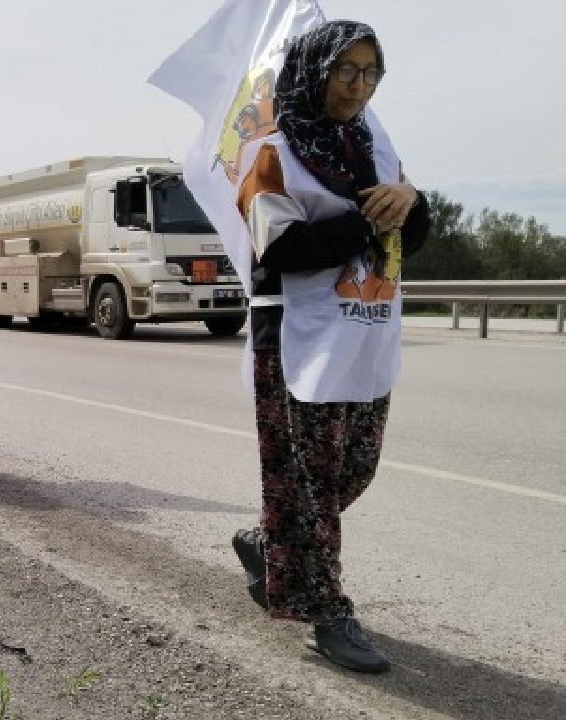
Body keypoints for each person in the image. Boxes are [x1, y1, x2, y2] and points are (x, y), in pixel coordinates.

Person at [231, 20, 430, 674]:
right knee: (311, 486)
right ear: (316, 69)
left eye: (371, 72)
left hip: (363, 332)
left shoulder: (370, 143)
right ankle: (327, 613)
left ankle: (271, 540)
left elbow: (412, 229)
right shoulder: (273, 153)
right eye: (347, 70)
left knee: (354, 470)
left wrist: (411, 200)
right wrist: (365, 220)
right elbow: (280, 248)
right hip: (297, 338)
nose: (359, 86)